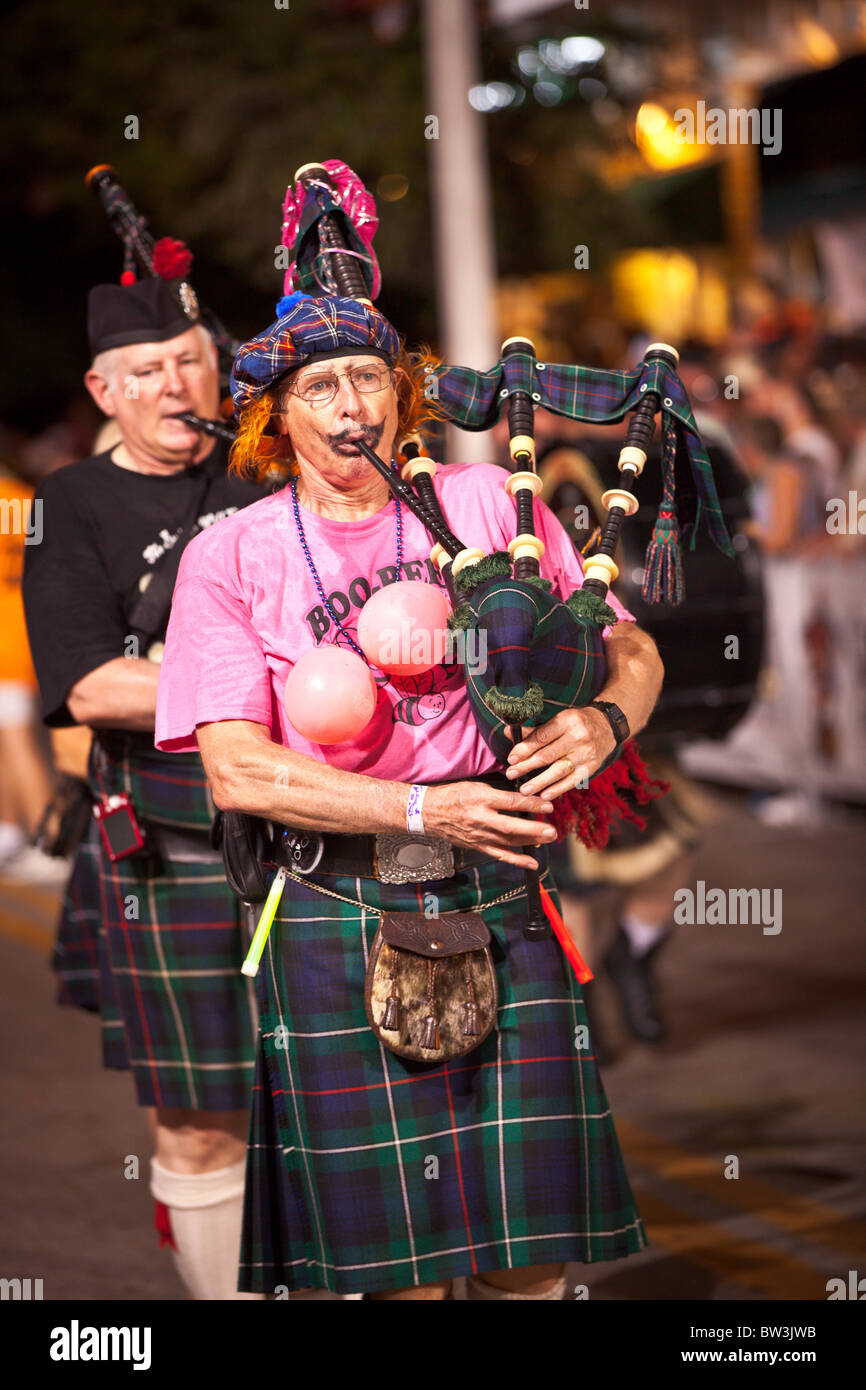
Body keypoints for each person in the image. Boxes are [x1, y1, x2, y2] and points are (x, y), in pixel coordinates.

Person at [155, 292, 665, 1300]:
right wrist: (422, 811)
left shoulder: (485, 505)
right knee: (401, 1274)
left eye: (368, 378)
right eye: (318, 386)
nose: (351, 406)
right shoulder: (231, 554)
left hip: (497, 885)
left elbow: (631, 647)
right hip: (337, 901)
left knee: (528, 1252)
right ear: (274, 417)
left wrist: (603, 720)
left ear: (403, 394)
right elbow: (236, 770)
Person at [22, 277, 271, 1300]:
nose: (174, 385)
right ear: (103, 389)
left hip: (306, 832)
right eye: (146, 372)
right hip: (168, 845)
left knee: (325, 1094)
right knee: (200, 1112)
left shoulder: (266, 477)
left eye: (189, 360)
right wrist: (259, 676)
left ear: (218, 367)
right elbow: (85, 682)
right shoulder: (73, 502)